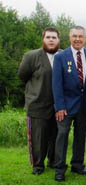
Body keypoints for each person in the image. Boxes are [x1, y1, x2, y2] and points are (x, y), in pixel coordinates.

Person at [18, 27, 60, 175]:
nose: (51, 40)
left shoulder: (62, 56)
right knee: (39, 137)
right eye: (48, 37)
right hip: (37, 104)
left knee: (55, 135)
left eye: (54, 37)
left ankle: (54, 161)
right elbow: (23, 76)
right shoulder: (31, 56)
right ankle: (38, 165)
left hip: (57, 106)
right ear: (43, 39)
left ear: (58, 40)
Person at [52, 26, 86, 182]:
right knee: (62, 136)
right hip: (66, 106)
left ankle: (77, 164)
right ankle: (60, 168)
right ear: (69, 38)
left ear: (85, 38)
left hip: (84, 105)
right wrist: (59, 106)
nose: (77, 39)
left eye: (80, 36)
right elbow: (56, 84)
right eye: (74, 36)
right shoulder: (61, 57)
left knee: (80, 136)